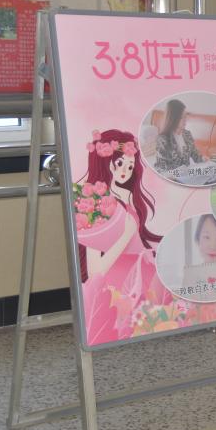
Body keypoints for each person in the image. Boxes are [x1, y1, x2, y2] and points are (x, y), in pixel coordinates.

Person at [76, 129, 163, 342]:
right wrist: (126, 235)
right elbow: (96, 271)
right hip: (119, 280)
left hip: (141, 272)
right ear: (104, 160)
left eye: (130, 166)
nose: (125, 170)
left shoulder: (126, 195)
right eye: (120, 163)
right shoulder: (95, 202)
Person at [154, 99, 206, 172]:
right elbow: (161, 167)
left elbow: (195, 156)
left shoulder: (187, 134)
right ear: (173, 118)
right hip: (171, 176)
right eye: (182, 117)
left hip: (186, 175)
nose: (185, 120)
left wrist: (203, 159)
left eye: (185, 116)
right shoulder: (162, 139)